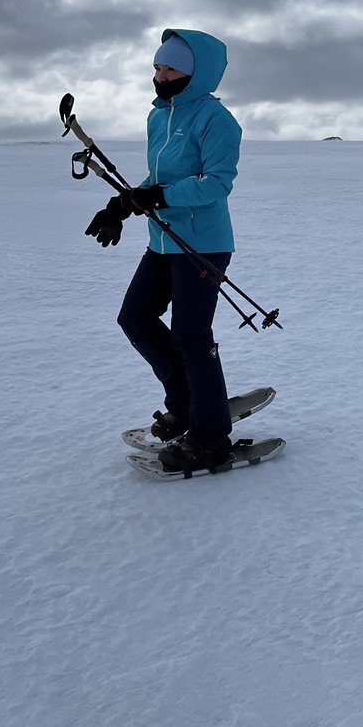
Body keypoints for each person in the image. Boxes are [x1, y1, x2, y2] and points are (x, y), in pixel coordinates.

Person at [85, 29, 242, 475]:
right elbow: (158, 178)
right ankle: (187, 405)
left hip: (203, 244)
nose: (160, 75)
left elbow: (216, 183)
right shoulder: (159, 116)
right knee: (135, 318)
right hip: (163, 240)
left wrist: (158, 196)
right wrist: (121, 205)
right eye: (156, 67)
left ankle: (211, 438)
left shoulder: (217, 119)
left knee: (191, 338)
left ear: (194, 73)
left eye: (170, 68)